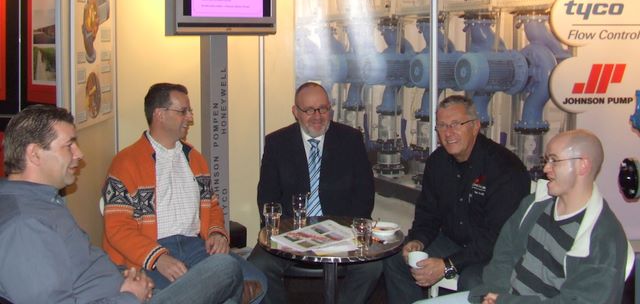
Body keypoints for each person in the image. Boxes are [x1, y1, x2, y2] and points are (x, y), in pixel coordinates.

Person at [0, 105, 244, 303]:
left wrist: (125, 277)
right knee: (225, 268)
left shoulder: (42, 202)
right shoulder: (24, 225)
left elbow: (80, 269)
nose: (79, 154)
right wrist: (129, 296)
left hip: (123, 290)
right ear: (34, 154)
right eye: (69, 145)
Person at [418, 129, 634, 304]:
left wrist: (505, 301)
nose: (546, 168)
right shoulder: (535, 205)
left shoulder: (604, 237)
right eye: (546, 160)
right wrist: (493, 293)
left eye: (554, 161)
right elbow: (504, 254)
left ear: (582, 165)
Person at [102, 83, 266, 302]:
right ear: (159, 114)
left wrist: (217, 233)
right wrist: (158, 258)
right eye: (183, 111)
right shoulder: (126, 163)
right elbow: (117, 229)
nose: (190, 117)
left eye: (190, 111)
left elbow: (212, 207)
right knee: (219, 287)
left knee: (258, 280)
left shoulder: (194, 158)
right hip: (149, 252)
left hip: (196, 246)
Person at [384, 95, 531, 303]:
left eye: (456, 124)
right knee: (396, 260)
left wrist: (447, 265)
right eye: (442, 126)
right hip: (455, 242)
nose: (448, 133)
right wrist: (418, 240)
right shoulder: (438, 162)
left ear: (475, 126)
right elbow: (428, 214)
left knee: (473, 283)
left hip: (495, 254)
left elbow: (498, 238)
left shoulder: (504, 168)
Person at [247, 81, 381, 304]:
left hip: (342, 232)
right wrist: (287, 232)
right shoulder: (277, 143)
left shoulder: (351, 139)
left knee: (372, 266)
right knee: (258, 266)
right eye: (309, 110)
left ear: (330, 108)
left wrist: (345, 231)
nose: (317, 116)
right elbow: (267, 197)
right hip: (291, 233)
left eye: (323, 109)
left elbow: (365, 194)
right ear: (295, 112)